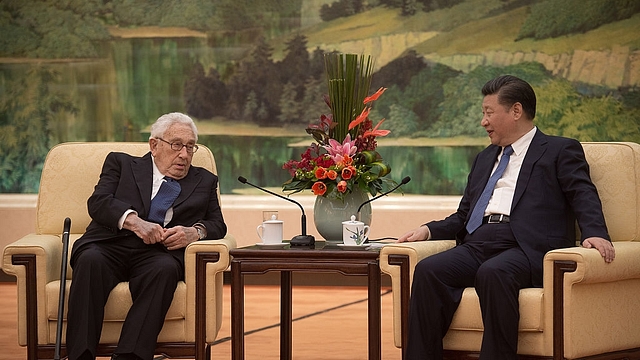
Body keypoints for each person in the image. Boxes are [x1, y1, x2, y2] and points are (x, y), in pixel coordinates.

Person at [397, 75, 615, 360]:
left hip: (526, 245)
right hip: (480, 241)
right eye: (483, 113)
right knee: (429, 270)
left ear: (516, 111)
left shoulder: (560, 150)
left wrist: (595, 232)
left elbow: (582, 193)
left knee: (494, 273)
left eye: (488, 113)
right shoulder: (485, 158)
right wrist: (428, 230)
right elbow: (465, 214)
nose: (483, 122)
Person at [66, 112, 227, 360]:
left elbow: (217, 224)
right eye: (176, 145)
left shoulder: (204, 181)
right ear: (155, 145)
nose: (184, 155)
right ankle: (80, 355)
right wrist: (135, 222)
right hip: (109, 244)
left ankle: (130, 356)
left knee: (164, 269)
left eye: (190, 147)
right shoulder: (121, 164)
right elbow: (99, 203)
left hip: (158, 253)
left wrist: (194, 232)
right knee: (90, 261)